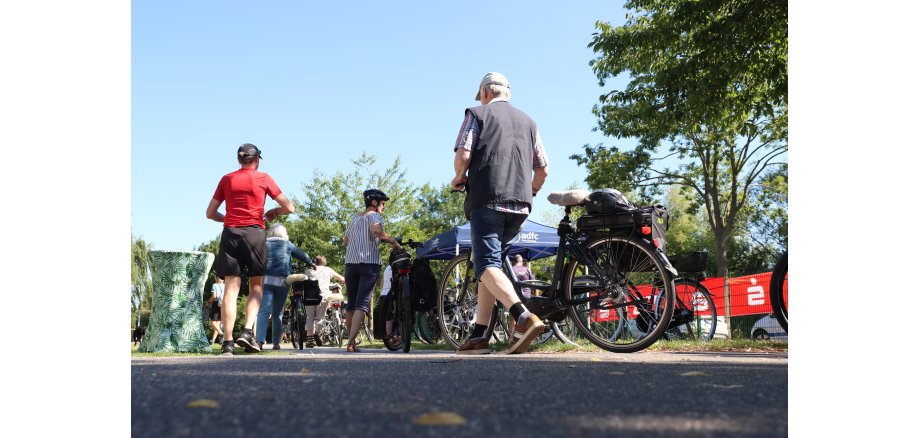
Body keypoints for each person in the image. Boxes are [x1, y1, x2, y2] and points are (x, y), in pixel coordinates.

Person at [450, 72, 550, 355]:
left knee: (486, 265)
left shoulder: (477, 114)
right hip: (521, 205)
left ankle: (523, 317)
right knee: (488, 266)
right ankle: (480, 335)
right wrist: (529, 192)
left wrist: (459, 176)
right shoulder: (529, 122)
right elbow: (543, 169)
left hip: (488, 199)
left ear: (484, 92)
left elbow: (464, 153)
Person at [206, 143, 295, 355]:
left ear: (239, 160)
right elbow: (289, 207)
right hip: (255, 233)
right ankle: (247, 332)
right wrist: (274, 211)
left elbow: (210, 213)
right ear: (256, 160)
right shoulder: (264, 178)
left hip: (231, 234)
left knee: (230, 289)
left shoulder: (227, 179)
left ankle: (227, 343)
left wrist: (229, 220)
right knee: (256, 286)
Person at [342, 189, 401, 352]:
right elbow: (376, 231)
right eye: (383, 204)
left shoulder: (354, 218)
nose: (384, 207)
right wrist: (393, 242)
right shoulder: (375, 216)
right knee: (362, 303)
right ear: (374, 203)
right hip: (369, 263)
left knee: (351, 304)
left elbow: (345, 242)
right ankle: (350, 342)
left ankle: (351, 341)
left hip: (351, 264)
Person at [256, 223, 314, 350]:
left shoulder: (264, 243)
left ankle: (259, 342)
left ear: (271, 233)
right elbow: (301, 254)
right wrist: (311, 262)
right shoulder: (287, 244)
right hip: (283, 281)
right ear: (284, 234)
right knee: (277, 314)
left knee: (264, 312)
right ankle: (276, 343)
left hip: (266, 280)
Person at [309, 255, 345, 347]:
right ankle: (316, 333)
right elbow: (341, 278)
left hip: (310, 295)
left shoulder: (310, 270)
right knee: (319, 318)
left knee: (309, 318)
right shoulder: (328, 270)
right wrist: (345, 281)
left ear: (315, 262)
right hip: (323, 296)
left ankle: (310, 340)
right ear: (324, 263)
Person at [205, 276, 225, 344]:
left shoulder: (215, 285)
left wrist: (208, 302)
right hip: (223, 305)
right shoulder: (225, 286)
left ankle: (222, 333)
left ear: (217, 278)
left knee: (213, 323)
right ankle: (213, 340)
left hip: (216, 304)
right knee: (218, 324)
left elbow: (214, 296)